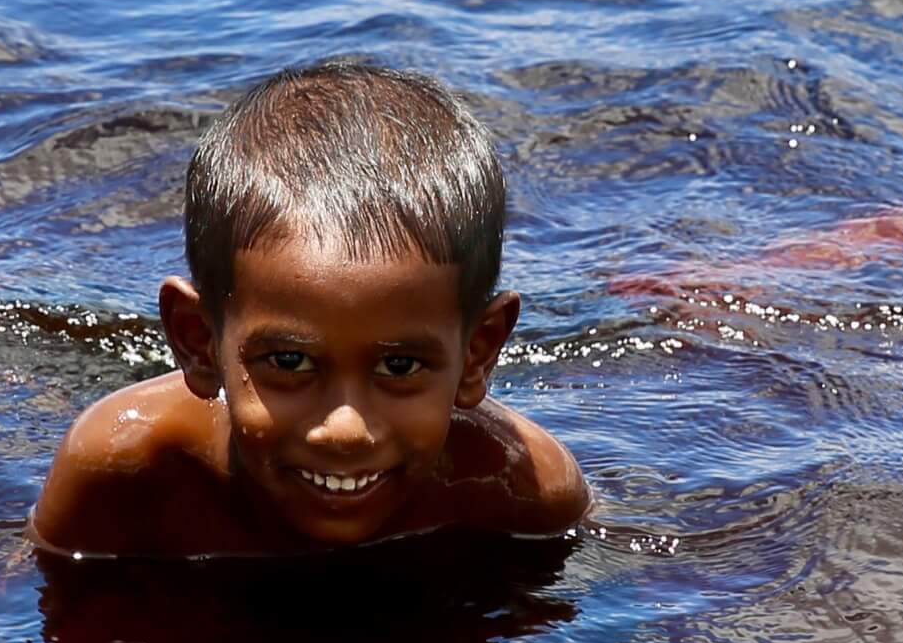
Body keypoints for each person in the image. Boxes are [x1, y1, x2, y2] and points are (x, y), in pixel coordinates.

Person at [29, 61, 588, 559]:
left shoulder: (520, 487)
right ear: (197, 340)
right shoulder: (123, 467)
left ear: (477, 353)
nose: (344, 430)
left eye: (399, 367)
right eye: (290, 362)